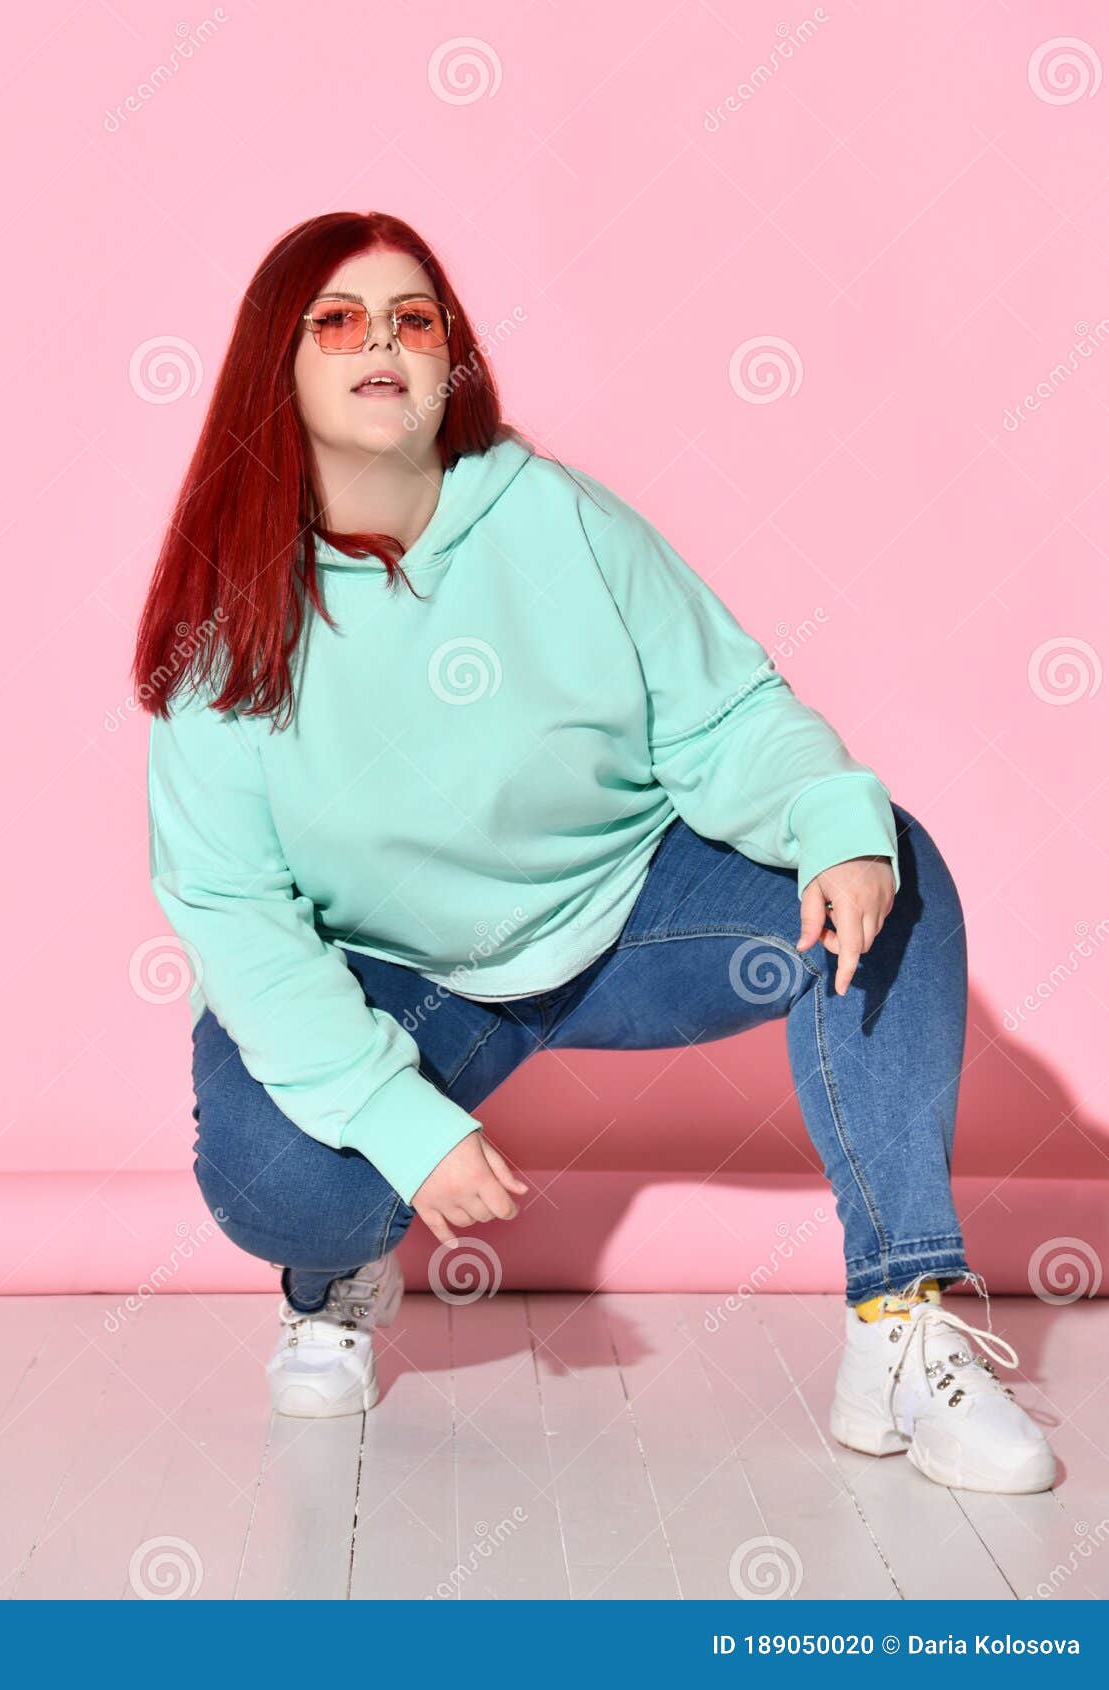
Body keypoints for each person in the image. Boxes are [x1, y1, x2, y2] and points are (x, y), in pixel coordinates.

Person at [132, 211, 1057, 1495]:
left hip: (628, 917)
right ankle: (331, 1280)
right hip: (389, 979)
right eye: (338, 321)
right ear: (273, 368)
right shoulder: (232, 620)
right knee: (287, 1180)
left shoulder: (552, 514)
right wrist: (404, 1126)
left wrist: (826, 823)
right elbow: (234, 909)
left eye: (414, 316)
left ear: (451, 355)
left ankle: (900, 1326)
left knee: (883, 858)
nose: (382, 342)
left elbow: (726, 713)